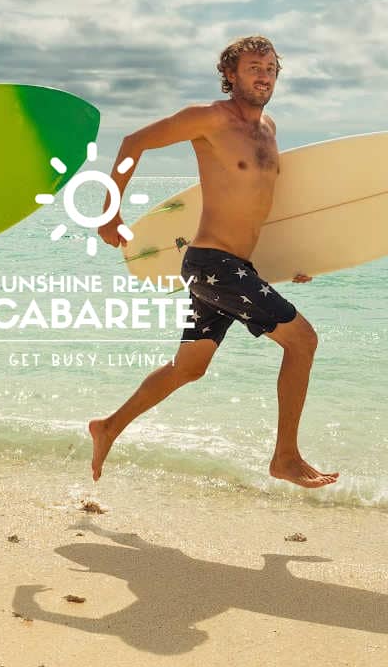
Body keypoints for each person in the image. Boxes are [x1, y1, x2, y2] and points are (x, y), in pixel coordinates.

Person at [89, 36, 338, 489]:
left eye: (270, 68)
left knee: (189, 368)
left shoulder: (270, 130)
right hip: (212, 264)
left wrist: (289, 261)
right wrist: (111, 211)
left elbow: (258, 209)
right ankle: (285, 456)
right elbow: (133, 142)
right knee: (302, 342)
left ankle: (107, 426)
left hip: (235, 267)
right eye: (253, 67)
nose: (263, 75)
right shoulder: (209, 120)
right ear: (230, 75)